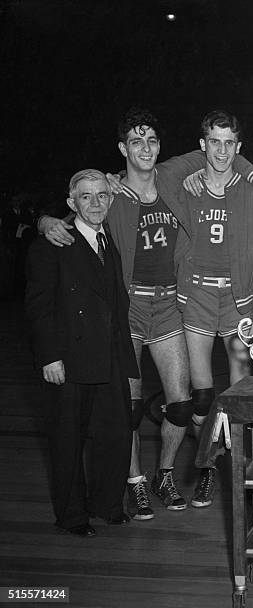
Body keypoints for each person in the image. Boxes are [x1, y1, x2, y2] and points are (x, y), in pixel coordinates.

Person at [38, 109, 253, 516]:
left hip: (168, 304)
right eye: (136, 142)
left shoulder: (172, 177)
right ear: (122, 148)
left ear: (159, 146)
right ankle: (135, 482)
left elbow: (231, 154)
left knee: (182, 404)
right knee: (128, 406)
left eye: (151, 141)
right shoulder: (110, 194)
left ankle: (164, 473)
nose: (145, 149)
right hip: (126, 308)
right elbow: (78, 211)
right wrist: (45, 222)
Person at [25, 170, 139, 536]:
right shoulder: (51, 243)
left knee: (117, 434)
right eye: (86, 197)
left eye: (102, 195)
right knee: (67, 440)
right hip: (69, 358)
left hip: (109, 355)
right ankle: (72, 515)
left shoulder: (108, 238)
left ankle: (107, 505)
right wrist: (49, 356)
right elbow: (38, 305)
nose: (95, 203)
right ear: (71, 203)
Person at [177, 110, 253, 504]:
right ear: (203, 145)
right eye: (214, 142)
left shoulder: (252, 191)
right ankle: (208, 465)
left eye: (229, 142)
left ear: (238, 147)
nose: (221, 150)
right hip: (198, 296)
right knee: (202, 397)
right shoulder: (186, 187)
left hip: (239, 299)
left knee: (237, 392)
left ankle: (239, 469)